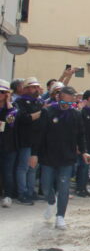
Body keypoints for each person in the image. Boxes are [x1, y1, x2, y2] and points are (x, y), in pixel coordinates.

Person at [35, 87, 90, 229]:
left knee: (64, 187)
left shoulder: (76, 115)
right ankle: (50, 201)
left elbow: (81, 135)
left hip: (67, 157)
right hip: (48, 156)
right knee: (46, 186)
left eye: (70, 98)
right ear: (58, 97)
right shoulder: (47, 112)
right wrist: (34, 154)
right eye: (64, 98)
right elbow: (39, 135)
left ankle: (60, 216)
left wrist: (84, 152)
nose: (66, 102)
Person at [14, 77, 45, 205]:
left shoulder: (38, 102)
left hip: (36, 139)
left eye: (37, 86)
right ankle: (22, 193)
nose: (36, 89)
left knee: (33, 167)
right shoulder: (20, 102)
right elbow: (22, 119)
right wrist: (38, 114)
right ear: (26, 89)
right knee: (24, 167)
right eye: (33, 87)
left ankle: (31, 192)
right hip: (25, 139)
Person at [0, 79, 16, 207]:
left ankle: (8, 195)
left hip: (7, 145)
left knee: (7, 171)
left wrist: (8, 102)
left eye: (2, 92)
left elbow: (11, 122)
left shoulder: (12, 108)